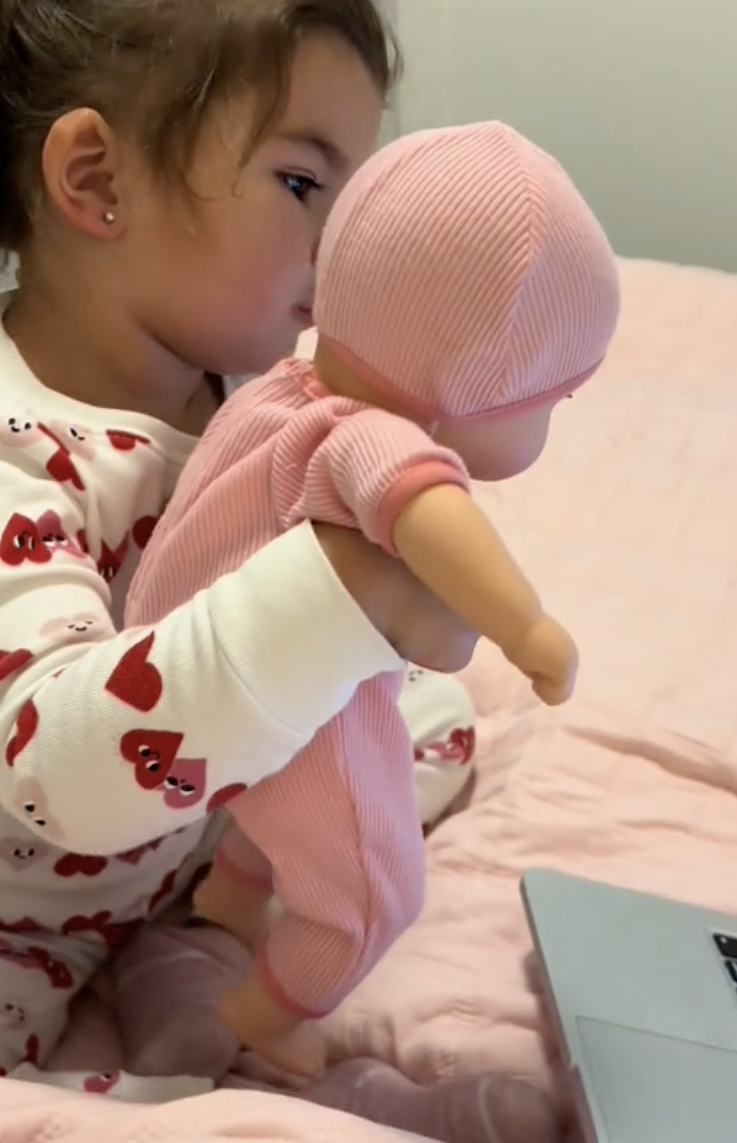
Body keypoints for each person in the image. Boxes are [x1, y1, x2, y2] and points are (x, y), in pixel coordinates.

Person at [0, 2, 562, 1142]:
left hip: (168, 871)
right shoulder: (20, 451)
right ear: (97, 181)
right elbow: (55, 776)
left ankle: (203, 962)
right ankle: (254, 1103)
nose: (344, 249)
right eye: (303, 185)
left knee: (431, 727)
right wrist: (339, 595)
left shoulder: (247, 404)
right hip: (24, 909)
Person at [124, 119, 619, 1070]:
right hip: (269, 695)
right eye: (550, 400)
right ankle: (263, 1015)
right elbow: (433, 515)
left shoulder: (279, 388)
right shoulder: (370, 439)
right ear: (472, 380)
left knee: (328, 773)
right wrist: (526, 627)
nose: (551, 419)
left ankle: (233, 892)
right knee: (376, 887)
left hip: (187, 658)